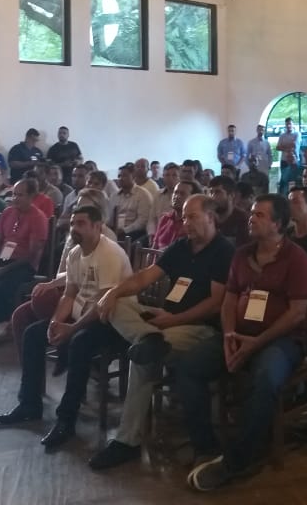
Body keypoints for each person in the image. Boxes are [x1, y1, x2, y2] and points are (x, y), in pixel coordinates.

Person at [89, 194, 235, 469]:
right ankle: (147, 337)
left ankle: (127, 441)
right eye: (183, 216)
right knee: (115, 304)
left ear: (210, 217)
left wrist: (175, 319)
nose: (185, 222)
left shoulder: (223, 250)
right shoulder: (181, 246)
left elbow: (216, 303)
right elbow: (145, 277)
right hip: (163, 321)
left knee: (143, 357)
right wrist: (114, 292)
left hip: (199, 328)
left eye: (192, 217)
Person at [179, 194, 307, 491]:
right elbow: (229, 301)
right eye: (252, 213)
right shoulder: (242, 255)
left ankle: (238, 461)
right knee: (188, 367)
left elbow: (297, 313)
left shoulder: (296, 258)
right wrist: (229, 335)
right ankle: (206, 447)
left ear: (278, 224)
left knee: (265, 378)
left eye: (260, 215)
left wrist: (256, 342)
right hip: (238, 334)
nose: (251, 219)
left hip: (281, 340)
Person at [0, 205, 131, 447]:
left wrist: (71, 329)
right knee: (33, 333)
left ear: (97, 227)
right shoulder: (75, 253)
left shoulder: (108, 253)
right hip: (83, 315)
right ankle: (29, 404)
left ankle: (66, 420)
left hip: (112, 319)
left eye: (81, 224)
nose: (74, 228)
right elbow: (69, 294)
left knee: (79, 342)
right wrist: (56, 321)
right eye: (73, 223)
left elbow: (102, 304)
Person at [0, 179, 50, 342]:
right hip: (4, 259)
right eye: (14, 194)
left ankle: (3, 324)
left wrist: (4, 270)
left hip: (24, 265)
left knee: (1, 289)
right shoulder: (8, 212)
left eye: (20, 195)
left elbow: (33, 254)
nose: (15, 198)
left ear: (31, 196)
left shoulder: (38, 217)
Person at [107, 163, 154, 243]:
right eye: (119, 176)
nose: (121, 178)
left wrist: (124, 230)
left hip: (134, 232)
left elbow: (142, 221)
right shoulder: (114, 196)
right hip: (115, 230)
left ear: (134, 177)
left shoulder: (143, 194)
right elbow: (109, 217)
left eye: (124, 176)